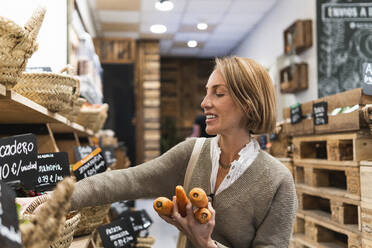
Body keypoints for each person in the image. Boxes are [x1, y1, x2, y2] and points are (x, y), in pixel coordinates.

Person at [68, 56, 298, 248]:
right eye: (207, 92)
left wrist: (205, 243)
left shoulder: (277, 181)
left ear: (248, 103)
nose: (204, 102)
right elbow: (126, 180)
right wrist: (56, 200)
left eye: (218, 93)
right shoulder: (192, 153)